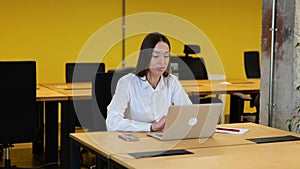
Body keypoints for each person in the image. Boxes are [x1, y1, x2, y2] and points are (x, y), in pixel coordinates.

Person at [106, 32, 192, 132]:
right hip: (135, 142)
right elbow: (112, 122)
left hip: (163, 140)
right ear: (146, 57)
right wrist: (150, 127)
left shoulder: (171, 81)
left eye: (166, 56)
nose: (162, 62)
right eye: (156, 56)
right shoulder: (127, 83)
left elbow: (189, 113)